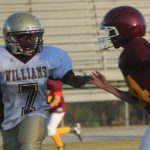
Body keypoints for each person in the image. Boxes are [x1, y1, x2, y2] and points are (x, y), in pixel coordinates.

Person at [0, 11, 90, 150]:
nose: (31, 41)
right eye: (25, 37)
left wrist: (79, 80)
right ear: (11, 37)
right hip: (8, 115)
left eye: (34, 36)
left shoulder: (48, 55)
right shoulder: (2, 57)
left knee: (29, 146)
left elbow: (69, 77)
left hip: (36, 111)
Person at [90, 6, 150, 150]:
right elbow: (137, 99)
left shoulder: (136, 48)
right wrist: (108, 87)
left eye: (111, 30)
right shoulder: (131, 52)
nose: (109, 35)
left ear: (124, 29)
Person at [47, 80, 82, 150]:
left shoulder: (55, 83)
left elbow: (56, 101)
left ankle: (61, 147)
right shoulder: (42, 82)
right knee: (47, 131)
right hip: (52, 109)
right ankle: (73, 129)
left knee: (50, 130)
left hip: (58, 108)